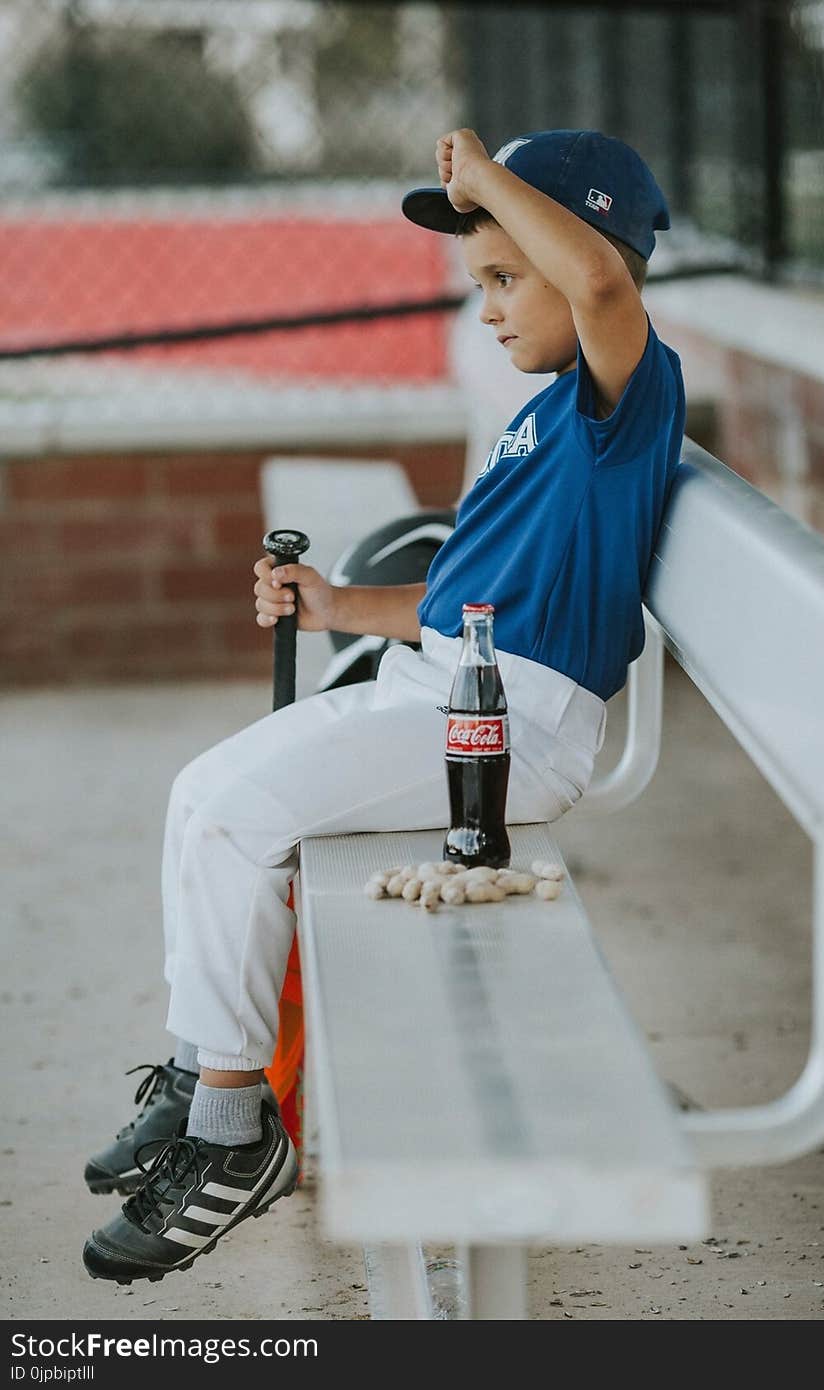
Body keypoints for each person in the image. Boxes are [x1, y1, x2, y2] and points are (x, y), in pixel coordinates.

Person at [82, 127, 686, 1284]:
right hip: (449, 690)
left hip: (510, 729)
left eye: (507, 278)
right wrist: (336, 604)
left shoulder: (623, 391)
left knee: (221, 805)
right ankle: (201, 1070)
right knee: (206, 797)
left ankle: (229, 1128)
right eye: (479, 284)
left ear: (578, 257)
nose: (489, 309)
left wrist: (490, 181)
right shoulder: (545, 412)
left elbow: (604, 282)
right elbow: (465, 597)